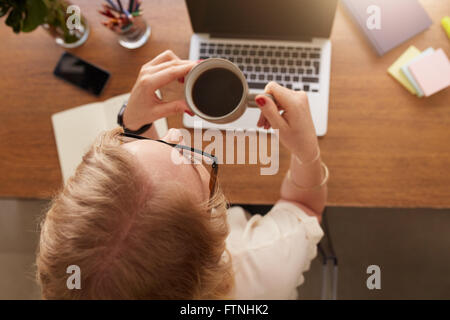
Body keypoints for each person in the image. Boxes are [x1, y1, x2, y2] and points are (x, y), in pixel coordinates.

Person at [36, 50, 328, 299]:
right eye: (191, 161)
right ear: (211, 243)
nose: (176, 133)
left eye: (128, 147)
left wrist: (135, 126)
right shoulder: (267, 262)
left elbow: (153, 190)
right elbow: (304, 209)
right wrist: (306, 151)